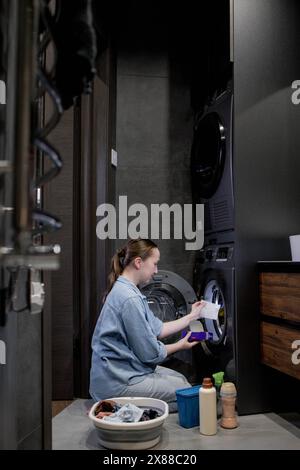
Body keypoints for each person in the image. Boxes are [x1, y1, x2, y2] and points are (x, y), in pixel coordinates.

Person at [89, 238, 206, 412]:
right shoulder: (130, 298)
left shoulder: (128, 289)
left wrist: (191, 316)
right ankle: (113, 406)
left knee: (180, 379)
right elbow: (150, 354)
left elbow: (157, 329)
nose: (156, 271)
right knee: (185, 392)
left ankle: (121, 405)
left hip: (119, 374)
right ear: (138, 263)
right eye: (155, 264)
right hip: (117, 382)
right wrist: (181, 345)